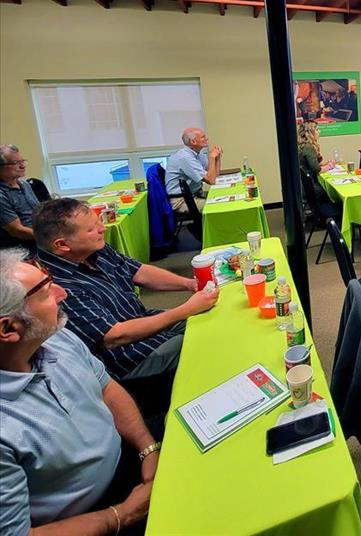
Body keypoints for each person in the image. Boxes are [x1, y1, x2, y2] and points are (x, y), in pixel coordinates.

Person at [0, 248, 158, 534]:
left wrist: (148, 448)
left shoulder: (56, 337)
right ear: (9, 328)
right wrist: (123, 514)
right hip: (95, 517)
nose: (63, 294)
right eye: (46, 293)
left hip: (128, 454)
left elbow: (107, 389)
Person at [33, 198, 219, 382]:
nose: (102, 229)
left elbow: (139, 272)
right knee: (203, 344)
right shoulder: (57, 287)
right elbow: (114, 336)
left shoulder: (94, 249)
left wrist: (188, 284)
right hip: (127, 357)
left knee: (212, 320)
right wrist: (186, 309)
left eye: (99, 222)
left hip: (142, 322)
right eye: (91, 229)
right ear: (62, 245)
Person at [165, 128, 222, 213]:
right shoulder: (185, 157)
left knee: (224, 198)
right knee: (218, 206)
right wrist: (211, 157)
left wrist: (217, 159)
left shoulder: (197, 153)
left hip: (195, 194)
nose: (206, 139)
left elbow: (214, 177)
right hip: (180, 201)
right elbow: (211, 181)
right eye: (203, 137)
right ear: (193, 142)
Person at [0, 144, 40, 250]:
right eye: (16, 163)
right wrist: (49, 238)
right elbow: (17, 230)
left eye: (23, 161)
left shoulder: (24, 184)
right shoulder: (1, 194)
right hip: (23, 247)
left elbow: (39, 212)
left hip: (41, 236)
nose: (23, 166)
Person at [297, 120, 336, 202]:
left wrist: (325, 164)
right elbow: (316, 169)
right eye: (317, 129)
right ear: (310, 132)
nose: (319, 131)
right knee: (332, 193)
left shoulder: (302, 145)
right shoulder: (308, 147)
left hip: (302, 185)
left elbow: (313, 164)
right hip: (309, 187)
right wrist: (330, 166)